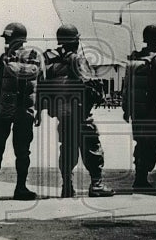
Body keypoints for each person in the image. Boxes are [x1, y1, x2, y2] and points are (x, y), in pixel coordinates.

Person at [41, 24, 115, 198]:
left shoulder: (52, 62)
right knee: (92, 149)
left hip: (63, 114)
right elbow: (87, 84)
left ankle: (67, 185)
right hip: (81, 114)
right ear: (75, 40)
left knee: (67, 150)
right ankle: (96, 185)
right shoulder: (77, 59)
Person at [0, 22, 42, 201]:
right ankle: (20, 188)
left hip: (3, 111)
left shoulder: (3, 59)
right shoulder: (35, 57)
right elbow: (42, 86)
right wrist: (38, 110)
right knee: (22, 152)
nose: (7, 41)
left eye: (8, 37)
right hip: (24, 112)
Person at [122, 24, 156, 190]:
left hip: (137, 111)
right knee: (153, 143)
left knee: (141, 142)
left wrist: (126, 110)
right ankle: (141, 179)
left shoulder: (134, 59)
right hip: (152, 111)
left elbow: (126, 87)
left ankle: (140, 177)